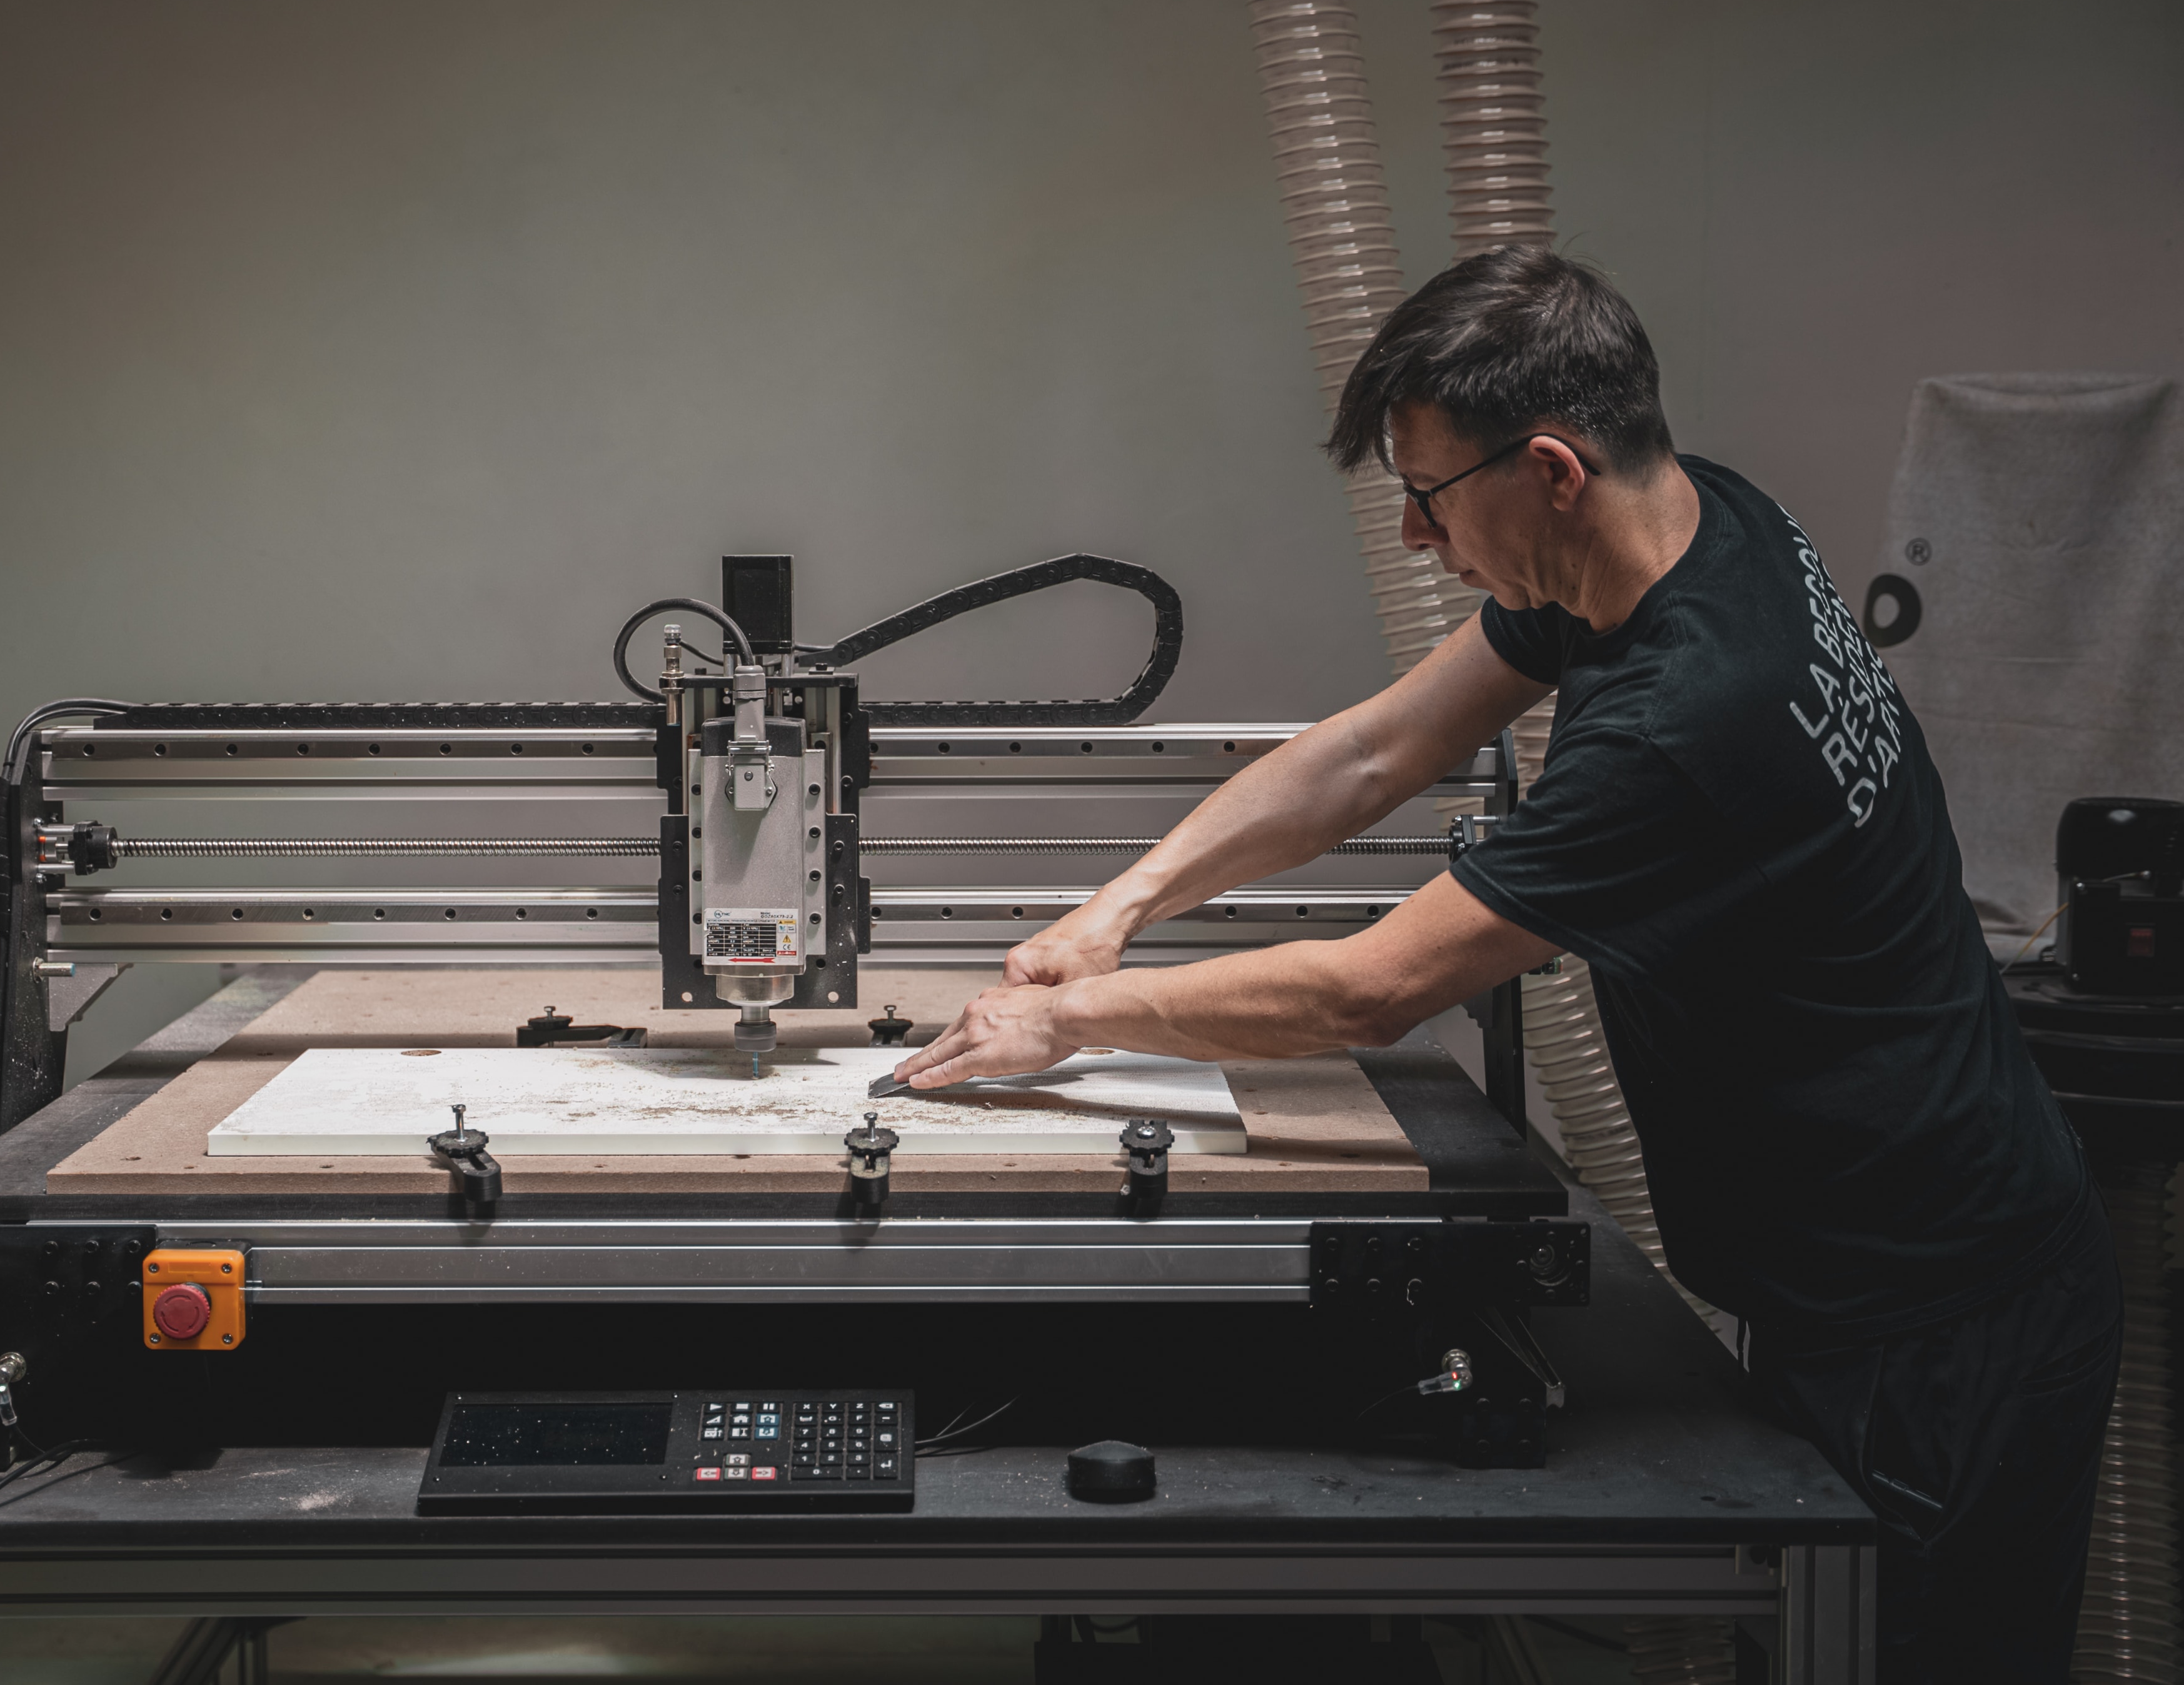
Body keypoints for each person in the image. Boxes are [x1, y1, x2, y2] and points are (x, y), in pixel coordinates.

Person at [890, 246, 2120, 1681]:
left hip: (1939, 1310)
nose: (1417, 536)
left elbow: (1371, 988)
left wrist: (1073, 1022)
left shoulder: (1688, 723)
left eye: (1429, 494)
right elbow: (1375, 751)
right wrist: (1119, 907)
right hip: (1884, 1272)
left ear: (1550, 470)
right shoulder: (1700, 522)